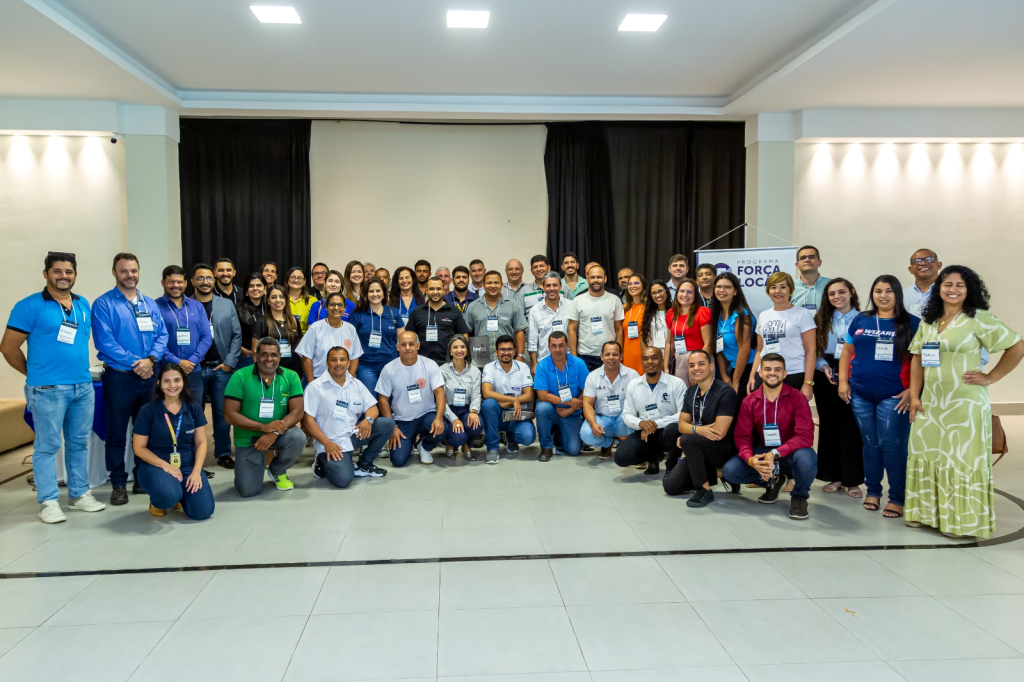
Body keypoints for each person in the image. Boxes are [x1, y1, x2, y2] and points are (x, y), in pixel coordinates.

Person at [907, 265, 1023, 538]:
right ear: (939, 288)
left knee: (959, 459)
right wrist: (914, 395)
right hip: (931, 403)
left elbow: (1017, 346)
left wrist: (991, 376)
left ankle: (960, 521)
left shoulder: (979, 318)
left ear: (969, 290)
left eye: (960, 285)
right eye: (948, 284)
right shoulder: (929, 321)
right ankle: (925, 514)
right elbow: (917, 358)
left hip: (965, 403)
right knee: (927, 454)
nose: (953, 289)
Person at [2, 251, 106, 523]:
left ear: (75, 275)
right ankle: (48, 501)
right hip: (47, 389)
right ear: (45, 274)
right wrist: (33, 373)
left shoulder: (82, 304)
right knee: (47, 446)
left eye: (68, 272)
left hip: (82, 387)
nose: (63, 276)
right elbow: (8, 347)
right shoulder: (29, 306)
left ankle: (79, 494)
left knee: (79, 443)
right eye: (57, 271)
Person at [91, 252, 168, 505]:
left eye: (133, 270)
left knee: (145, 430)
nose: (129, 275)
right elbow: (105, 342)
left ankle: (142, 478)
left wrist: (151, 360)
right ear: (114, 273)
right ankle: (118, 484)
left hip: (149, 377)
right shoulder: (103, 304)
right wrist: (139, 363)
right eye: (124, 271)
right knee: (116, 433)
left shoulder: (149, 304)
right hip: (120, 379)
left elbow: (162, 335)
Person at [723, 353, 817, 519]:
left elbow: (805, 436)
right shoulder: (749, 401)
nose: (772, 373)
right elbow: (742, 437)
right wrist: (750, 459)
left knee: (806, 458)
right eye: (767, 369)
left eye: (777, 370)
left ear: (785, 374)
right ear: (760, 373)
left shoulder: (797, 398)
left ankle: (799, 498)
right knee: (730, 471)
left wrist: (775, 453)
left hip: (790, 453)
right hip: (763, 452)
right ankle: (773, 481)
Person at [224, 338, 306, 496]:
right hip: (249, 438)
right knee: (248, 490)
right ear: (256, 356)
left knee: (297, 437)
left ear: (280, 356)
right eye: (264, 354)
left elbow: (297, 412)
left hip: (278, 434)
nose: (269, 359)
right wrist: (262, 427)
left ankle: (277, 469)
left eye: (274, 355)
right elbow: (229, 415)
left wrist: (273, 432)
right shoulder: (240, 376)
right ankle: (255, 465)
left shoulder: (291, 376)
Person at [132, 363, 214, 519]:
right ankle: (161, 500)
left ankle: (179, 493)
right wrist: (165, 466)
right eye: (166, 381)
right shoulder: (148, 411)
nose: (172, 385)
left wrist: (196, 472)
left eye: (177, 380)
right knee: (167, 496)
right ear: (159, 384)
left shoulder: (194, 408)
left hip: (187, 467)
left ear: (183, 382)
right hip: (157, 467)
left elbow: (202, 443)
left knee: (203, 511)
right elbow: (139, 448)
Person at [303, 346, 391, 487]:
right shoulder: (315, 387)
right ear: (327, 363)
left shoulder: (356, 384)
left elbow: (372, 407)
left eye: (342, 359)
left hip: (352, 434)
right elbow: (308, 421)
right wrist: (327, 443)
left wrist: (368, 420)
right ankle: (321, 463)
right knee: (343, 480)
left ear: (348, 362)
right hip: (330, 441)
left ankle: (364, 465)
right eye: (334, 360)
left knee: (387, 424)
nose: (338, 363)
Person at [663, 350, 739, 507]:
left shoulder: (725, 392)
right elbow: (681, 425)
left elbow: (718, 433)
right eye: (692, 365)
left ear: (711, 366)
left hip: (723, 448)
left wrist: (690, 434)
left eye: (701, 364)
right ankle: (721, 474)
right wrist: (697, 430)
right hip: (698, 446)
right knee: (671, 486)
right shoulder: (691, 391)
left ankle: (704, 490)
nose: (696, 368)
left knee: (687, 439)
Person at [190, 263, 243, 469]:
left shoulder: (226, 304)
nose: (205, 282)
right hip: (194, 369)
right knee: (195, 413)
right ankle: (194, 457)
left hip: (220, 368)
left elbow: (237, 335)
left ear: (214, 281)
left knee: (222, 414)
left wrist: (229, 362)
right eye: (200, 278)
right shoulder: (186, 304)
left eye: (209, 278)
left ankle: (223, 452)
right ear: (192, 281)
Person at [815, 278, 865, 499]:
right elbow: (814, 350)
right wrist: (823, 366)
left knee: (852, 427)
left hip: (856, 372)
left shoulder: (864, 319)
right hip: (826, 374)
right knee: (829, 426)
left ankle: (852, 480)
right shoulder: (821, 319)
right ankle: (834, 477)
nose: (837, 297)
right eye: (832, 293)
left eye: (842, 292)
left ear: (851, 292)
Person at [375, 331, 447, 467]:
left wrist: (438, 418)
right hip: (403, 420)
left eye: (411, 344)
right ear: (397, 347)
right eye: (403, 344)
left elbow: (440, 393)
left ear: (418, 346)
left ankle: (424, 446)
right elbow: (383, 399)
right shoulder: (389, 369)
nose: (407, 347)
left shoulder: (430, 365)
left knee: (442, 428)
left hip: (426, 415)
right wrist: (392, 427)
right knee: (398, 461)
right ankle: (409, 442)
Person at [614, 347, 686, 475]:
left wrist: (656, 424)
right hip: (645, 431)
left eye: (654, 358)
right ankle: (653, 457)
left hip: (667, 431)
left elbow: (683, 414)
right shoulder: (633, 385)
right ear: (642, 362)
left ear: (662, 361)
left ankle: (673, 464)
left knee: (673, 430)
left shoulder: (676, 383)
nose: (650, 362)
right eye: (645, 359)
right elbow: (627, 414)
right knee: (621, 458)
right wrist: (641, 423)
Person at [748, 272, 816, 400]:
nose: (778, 291)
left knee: (790, 412)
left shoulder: (802, 314)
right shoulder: (763, 316)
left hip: (793, 373)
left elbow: (810, 350)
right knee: (764, 411)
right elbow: (759, 350)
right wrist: (752, 375)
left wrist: (808, 382)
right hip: (766, 374)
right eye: (773, 287)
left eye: (783, 287)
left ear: (790, 290)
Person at [156, 265, 213, 403]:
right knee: (167, 411)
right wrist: (178, 362)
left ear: (186, 283)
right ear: (163, 283)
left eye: (179, 282)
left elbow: (206, 337)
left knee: (195, 410)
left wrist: (192, 360)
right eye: (171, 282)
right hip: (166, 371)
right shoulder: (154, 307)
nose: (175, 285)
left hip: (193, 371)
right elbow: (154, 340)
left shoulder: (197, 306)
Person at [480, 335, 537, 464]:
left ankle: (511, 438)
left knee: (528, 436)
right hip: (497, 414)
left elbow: (529, 395)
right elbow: (487, 393)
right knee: (489, 404)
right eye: (502, 349)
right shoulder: (489, 367)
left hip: (516, 414)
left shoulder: (523, 367)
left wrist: (511, 402)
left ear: (515, 351)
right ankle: (492, 449)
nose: (506, 352)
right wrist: (514, 400)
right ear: (496, 351)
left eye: (510, 349)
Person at [533, 331, 590, 461]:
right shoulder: (542, 365)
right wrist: (570, 402)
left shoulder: (579, 363)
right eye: (554, 346)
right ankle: (546, 447)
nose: (557, 350)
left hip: (572, 412)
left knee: (574, 450)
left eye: (561, 345)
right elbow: (542, 395)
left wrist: (571, 409)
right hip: (552, 409)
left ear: (567, 346)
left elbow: (587, 391)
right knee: (542, 408)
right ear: (548, 347)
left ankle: (559, 434)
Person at [581, 341, 639, 459]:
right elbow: (587, 404)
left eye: (615, 354)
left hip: (624, 419)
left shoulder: (632, 375)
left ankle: (637, 451)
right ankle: (607, 444)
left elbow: (640, 402)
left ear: (621, 356)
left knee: (638, 423)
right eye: (607, 354)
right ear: (601, 356)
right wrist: (593, 424)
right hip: (602, 419)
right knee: (586, 434)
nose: (611, 358)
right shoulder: (593, 376)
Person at [349, 278, 404, 393]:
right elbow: (350, 343)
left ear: (384, 293)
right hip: (365, 366)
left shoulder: (393, 313)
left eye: (378, 291)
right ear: (366, 294)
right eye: (371, 291)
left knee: (389, 400)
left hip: (391, 365)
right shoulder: (357, 315)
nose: (375, 294)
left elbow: (402, 341)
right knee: (370, 400)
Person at [296, 292, 363, 383]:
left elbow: (355, 357)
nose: (336, 308)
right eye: (332, 304)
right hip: (318, 378)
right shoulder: (315, 327)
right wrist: (312, 383)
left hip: (343, 380)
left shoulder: (350, 329)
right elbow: (306, 357)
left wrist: (349, 381)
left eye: (340, 305)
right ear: (326, 307)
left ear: (344, 308)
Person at [568, 265, 625, 372]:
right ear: (587, 278)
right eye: (592, 277)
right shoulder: (577, 301)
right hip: (585, 356)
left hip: (609, 355)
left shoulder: (615, 300)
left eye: (599, 277)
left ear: (605, 279)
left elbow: (619, 329)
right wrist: (574, 357)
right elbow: (572, 329)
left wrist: (619, 354)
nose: (596, 280)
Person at [465, 270, 528, 362]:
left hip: (507, 358)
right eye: (489, 283)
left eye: (496, 283)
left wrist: (520, 355)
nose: (493, 286)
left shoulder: (512, 305)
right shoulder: (473, 306)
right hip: (480, 358)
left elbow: (519, 331)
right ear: (483, 285)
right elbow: (466, 332)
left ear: (501, 284)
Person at [405, 276, 471, 364]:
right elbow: (408, 336)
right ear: (426, 291)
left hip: (448, 363)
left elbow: (464, 336)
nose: (435, 292)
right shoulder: (417, 312)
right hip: (423, 362)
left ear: (444, 290)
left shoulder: (454, 311)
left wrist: (459, 356)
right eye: (431, 289)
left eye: (438, 289)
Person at [709, 273, 755, 399]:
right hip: (731, 368)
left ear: (735, 291)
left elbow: (744, 350)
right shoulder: (717, 314)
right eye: (718, 287)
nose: (722, 290)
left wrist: (735, 380)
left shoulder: (741, 315)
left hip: (747, 368)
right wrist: (724, 375)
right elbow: (718, 348)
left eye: (727, 287)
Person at [439, 335, 483, 459]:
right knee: (458, 437)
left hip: (466, 409)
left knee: (477, 424)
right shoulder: (442, 370)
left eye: (463, 347)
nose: (459, 350)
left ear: (467, 350)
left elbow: (476, 395)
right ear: (450, 351)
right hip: (448, 410)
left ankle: (467, 445)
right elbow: (440, 399)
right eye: (455, 347)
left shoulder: (475, 371)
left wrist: (473, 411)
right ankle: (450, 443)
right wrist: (453, 419)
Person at [665, 278, 712, 384]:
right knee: (682, 391)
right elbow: (669, 343)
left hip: (698, 358)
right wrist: (666, 367)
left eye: (689, 292)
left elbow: (708, 343)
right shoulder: (671, 313)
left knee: (700, 390)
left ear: (695, 295)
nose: (685, 295)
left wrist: (697, 367)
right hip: (679, 359)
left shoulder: (702, 312)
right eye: (682, 291)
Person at [252, 285, 304, 376]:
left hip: (294, 370)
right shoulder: (262, 322)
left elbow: (300, 347)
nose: (278, 300)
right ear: (268, 301)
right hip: (270, 370)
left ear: (286, 300)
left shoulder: (294, 321)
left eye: (281, 297)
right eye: (273, 297)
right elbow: (255, 351)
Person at [528, 272, 575, 371]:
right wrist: (534, 364)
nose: (552, 288)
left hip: (568, 361)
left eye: (555, 285)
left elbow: (576, 334)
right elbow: (532, 341)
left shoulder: (571, 306)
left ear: (560, 286)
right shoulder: (535, 311)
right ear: (543, 287)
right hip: (544, 363)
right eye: (548, 285)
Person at [620, 273, 649, 374]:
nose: (632, 286)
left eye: (636, 283)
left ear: (643, 285)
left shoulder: (649, 308)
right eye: (630, 284)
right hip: (627, 354)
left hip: (644, 353)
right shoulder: (624, 308)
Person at [236, 273, 266, 367]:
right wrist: (241, 349)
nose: (255, 288)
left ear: (265, 288)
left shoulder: (271, 307)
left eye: (259, 285)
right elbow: (231, 334)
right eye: (251, 286)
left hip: (269, 355)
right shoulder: (238, 309)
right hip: (246, 356)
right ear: (246, 289)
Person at [903, 248, 942, 317]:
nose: (923, 263)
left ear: (939, 265)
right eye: (917, 261)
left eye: (929, 259)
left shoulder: (948, 292)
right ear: (910, 269)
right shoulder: (902, 295)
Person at [791, 245, 831, 312]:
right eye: (803, 258)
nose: (807, 260)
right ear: (797, 265)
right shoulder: (790, 287)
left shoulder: (831, 285)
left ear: (819, 262)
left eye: (811, 257)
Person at [642, 279, 670, 363]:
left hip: (671, 356)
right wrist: (649, 357)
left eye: (660, 291)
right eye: (654, 293)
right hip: (653, 359)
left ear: (666, 291)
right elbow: (643, 338)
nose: (657, 295)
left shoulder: (674, 311)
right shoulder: (648, 313)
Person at [284, 266, 317, 333]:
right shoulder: (281, 299)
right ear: (287, 280)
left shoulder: (312, 300)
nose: (296, 280)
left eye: (299, 278)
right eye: (292, 277)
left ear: (304, 281)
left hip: (305, 337)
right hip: (283, 336)